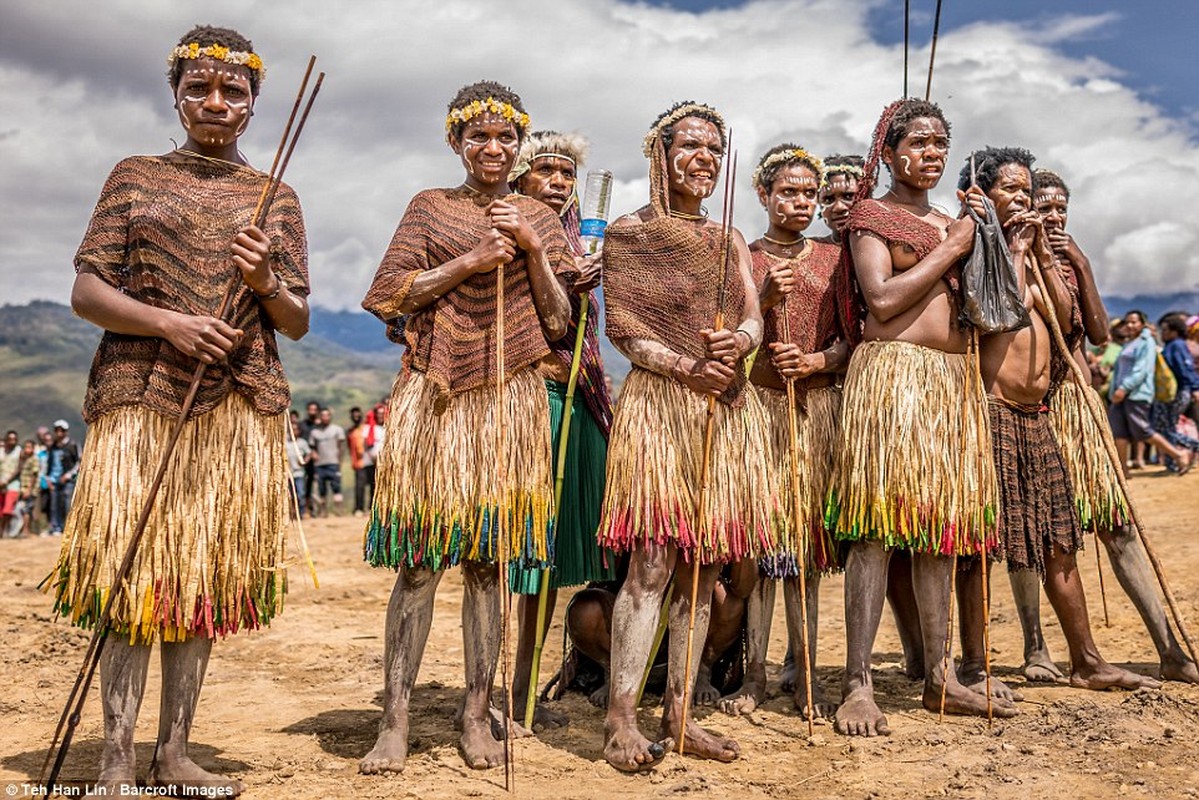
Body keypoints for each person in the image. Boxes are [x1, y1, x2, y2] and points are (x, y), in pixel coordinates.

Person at [43, 24, 308, 795]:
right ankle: (117, 758)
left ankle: (174, 753)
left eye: (233, 92)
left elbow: (294, 320)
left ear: (255, 104)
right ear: (177, 95)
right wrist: (169, 322)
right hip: (138, 395)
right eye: (199, 89)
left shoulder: (276, 196)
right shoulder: (133, 176)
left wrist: (264, 281)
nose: (215, 103)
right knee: (132, 577)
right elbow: (87, 290)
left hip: (235, 408)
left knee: (204, 573)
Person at [359, 80, 573, 775]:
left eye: (505, 137)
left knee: (487, 562)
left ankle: (475, 712)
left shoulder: (538, 214)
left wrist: (532, 250)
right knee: (421, 561)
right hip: (437, 394)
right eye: (478, 136)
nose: (492, 147)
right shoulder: (430, 207)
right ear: (456, 142)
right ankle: (392, 717)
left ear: (519, 145)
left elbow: (561, 321)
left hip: (509, 398)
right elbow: (387, 293)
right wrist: (469, 262)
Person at [596, 101, 774, 771]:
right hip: (661, 405)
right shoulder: (629, 234)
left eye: (714, 149)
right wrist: (685, 367)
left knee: (702, 572)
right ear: (659, 155)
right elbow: (624, 330)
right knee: (650, 566)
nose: (704, 159)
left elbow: (753, 317)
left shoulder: (726, 238)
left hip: (724, 408)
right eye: (691, 146)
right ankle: (619, 719)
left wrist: (738, 342)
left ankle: (677, 715)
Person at [825, 98, 1010, 737]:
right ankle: (856, 683)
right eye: (920, 141)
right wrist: (952, 244)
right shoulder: (871, 216)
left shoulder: (954, 218)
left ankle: (940, 675)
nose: (932, 152)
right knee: (875, 531)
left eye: (941, 143)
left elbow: (992, 306)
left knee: (941, 531)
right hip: (892, 379)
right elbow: (880, 299)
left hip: (949, 386)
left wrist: (978, 236)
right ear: (891, 147)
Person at [959, 146, 1159, 694]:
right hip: (990, 414)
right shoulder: (971, 246)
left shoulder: (1040, 253)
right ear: (984, 196)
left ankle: (1086, 660)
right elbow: (993, 312)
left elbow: (1069, 320)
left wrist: (1045, 257)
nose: (1023, 202)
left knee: (1059, 541)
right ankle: (975, 666)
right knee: (980, 545)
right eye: (1012, 192)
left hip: (1037, 416)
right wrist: (1015, 253)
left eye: (1027, 192)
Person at [1003, 170, 1199, 684]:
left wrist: (1080, 264)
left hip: (1075, 409)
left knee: (1118, 524)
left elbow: (1094, 330)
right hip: (1023, 410)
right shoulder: (1006, 256)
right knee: (1029, 533)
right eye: (1043, 206)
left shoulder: (1067, 262)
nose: (1054, 216)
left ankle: (1169, 648)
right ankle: (1036, 647)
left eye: (1061, 207)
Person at [721, 144, 848, 720]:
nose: (800, 202)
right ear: (764, 196)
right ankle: (753, 673)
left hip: (814, 413)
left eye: (808, 193)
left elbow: (858, 338)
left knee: (805, 551)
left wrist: (818, 363)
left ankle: (806, 672)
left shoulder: (835, 258)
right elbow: (724, 336)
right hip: (758, 410)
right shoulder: (740, 257)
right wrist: (765, 298)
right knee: (762, 547)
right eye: (788, 192)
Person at [507, 130, 617, 729]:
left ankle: (527, 689)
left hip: (577, 400)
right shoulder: (508, 223)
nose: (556, 181)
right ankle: (500, 689)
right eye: (544, 169)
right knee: (519, 551)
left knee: (547, 560)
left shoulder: (586, 239)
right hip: (530, 400)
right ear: (521, 175)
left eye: (567, 173)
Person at [1109, 310, 1191, 474]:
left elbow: (1142, 370)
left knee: (1143, 431)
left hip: (1136, 394)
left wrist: (1124, 389)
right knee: (1119, 432)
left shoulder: (1146, 342)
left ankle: (1178, 455)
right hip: (1120, 395)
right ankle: (1122, 471)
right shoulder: (1129, 342)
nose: (1130, 325)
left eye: (1134, 322)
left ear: (1142, 324)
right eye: (1128, 322)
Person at [1153, 313, 1199, 463]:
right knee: (1166, 427)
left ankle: (1193, 447)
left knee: (1166, 428)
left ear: (1175, 331)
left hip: (1178, 392)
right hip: (1173, 392)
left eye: (1166, 330)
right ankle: (1173, 462)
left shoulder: (1177, 345)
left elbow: (1185, 368)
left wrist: (1194, 388)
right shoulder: (1171, 345)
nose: (1163, 333)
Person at [814, 154, 865, 245]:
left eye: (848, 197)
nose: (839, 207)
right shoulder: (807, 251)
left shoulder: (891, 244)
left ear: (866, 195)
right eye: (828, 200)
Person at [308, 406, 346, 516]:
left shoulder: (337, 430)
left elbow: (341, 447)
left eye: (327, 415)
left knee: (336, 487)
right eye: (323, 415)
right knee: (321, 489)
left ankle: (338, 510)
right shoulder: (314, 432)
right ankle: (323, 511)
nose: (325, 417)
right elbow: (311, 447)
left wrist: (340, 462)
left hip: (333, 463)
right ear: (320, 417)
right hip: (319, 464)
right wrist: (313, 453)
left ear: (330, 416)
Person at [285, 419, 312, 519]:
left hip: (299, 473)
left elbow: (309, 453)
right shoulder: (285, 442)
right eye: (291, 429)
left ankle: (301, 513)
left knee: (300, 494)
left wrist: (304, 461)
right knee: (289, 495)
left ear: (299, 431)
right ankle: (291, 515)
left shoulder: (302, 443)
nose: (293, 431)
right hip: (288, 473)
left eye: (295, 429)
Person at [16, 439, 41, 538]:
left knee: (26, 509)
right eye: (25, 447)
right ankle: (27, 530)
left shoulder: (34, 459)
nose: (27, 449)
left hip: (30, 489)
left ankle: (25, 530)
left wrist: (29, 489)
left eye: (29, 447)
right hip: (23, 488)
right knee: (25, 509)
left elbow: (34, 475)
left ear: (33, 449)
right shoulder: (25, 459)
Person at [1, 430, 21, 536]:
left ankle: (5, 530)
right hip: (1, 483)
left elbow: (19, 468)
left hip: (13, 484)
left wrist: (7, 481)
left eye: (14, 439)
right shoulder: (1, 451)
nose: (12, 441)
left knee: (7, 509)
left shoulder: (18, 451)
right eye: (10, 439)